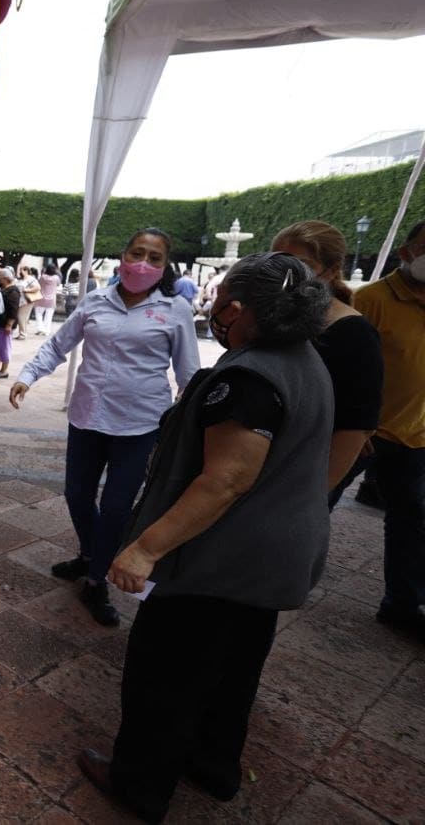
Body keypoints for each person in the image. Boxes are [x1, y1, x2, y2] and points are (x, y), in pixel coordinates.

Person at [79, 252, 334, 823]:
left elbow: (225, 480)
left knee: (164, 673)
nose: (214, 311)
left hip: (223, 560)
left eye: (220, 303)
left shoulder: (248, 377)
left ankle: (139, 785)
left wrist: (146, 548)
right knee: (234, 669)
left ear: (237, 309)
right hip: (274, 559)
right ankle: (213, 766)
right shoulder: (306, 360)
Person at [9, 228, 199, 625]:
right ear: (122, 255)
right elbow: (58, 344)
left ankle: (96, 581)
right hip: (88, 418)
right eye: (137, 253)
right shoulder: (96, 301)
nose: (143, 263)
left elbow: (189, 373)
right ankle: (91, 553)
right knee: (77, 495)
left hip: (140, 424)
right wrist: (28, 375)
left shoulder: (174, 310)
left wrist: (189, 423)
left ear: (165, 266)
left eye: (154, 258)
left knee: (115, 507)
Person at [272, 220, 383, 510]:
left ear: (332, 271)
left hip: (309, 467)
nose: (289, 274)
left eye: (302, 265)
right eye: (279, 262)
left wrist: (314, 496)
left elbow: (356, 429)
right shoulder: (278, 315)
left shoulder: (354, 333)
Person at [354, 220, 425, 642]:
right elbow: (347, 367)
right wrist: (352, 424)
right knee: (315, 503)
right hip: (362, 432)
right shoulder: (372, 299)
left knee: (411, 521)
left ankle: (401, 603)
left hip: (414, 435)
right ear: (406, 253)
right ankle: (281, 582)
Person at [0, 267, 22, 378]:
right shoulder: (6, 289)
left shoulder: (13, 291)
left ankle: (3, 370)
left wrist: (9, 324)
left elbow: (13, 310)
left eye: (0, 278)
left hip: (5, 324)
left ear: (5, 278)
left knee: (4, 347)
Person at [32, 263, 61, 335]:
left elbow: (39, 284)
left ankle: (40, 328)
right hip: (51, 300)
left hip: (41, 299)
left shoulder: (43, 277)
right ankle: (47, 330)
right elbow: (58, 284)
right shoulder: (56, 278)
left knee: (38, 314)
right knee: (49, 316)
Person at [16, 267, 40, 338]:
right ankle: (22, 333)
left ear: (26, 271)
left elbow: (37, 287)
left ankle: (22, 334)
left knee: (21, 317)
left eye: (22, 270)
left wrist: (26, 290)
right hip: (22, 300)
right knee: (23, 317)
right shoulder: (23, 279)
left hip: (26, 300)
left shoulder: (30, 278)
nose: (20, 272)